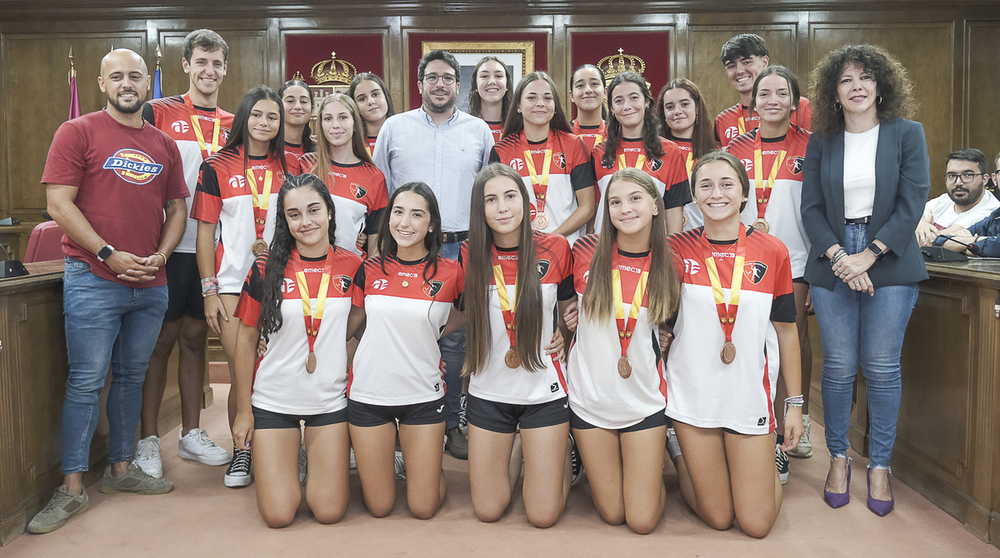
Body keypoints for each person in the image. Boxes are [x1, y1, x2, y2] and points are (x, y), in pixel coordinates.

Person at [29, 48, 186, 534]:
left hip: (151, 282)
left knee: (132, 378)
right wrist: (106, 253)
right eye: (117, 76)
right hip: (94, 279)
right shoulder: (76, 131)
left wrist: (160, 256)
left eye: (135, 76)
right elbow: (58, 203)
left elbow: (178, 208)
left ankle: (121, 470)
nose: (127, 83)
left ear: (147, 84)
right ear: (101, 83)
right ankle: (71, 487)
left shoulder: (163, 143)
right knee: (87, 380)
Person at [802, 44, 929, 517]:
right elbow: (810, 209)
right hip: (833, 256)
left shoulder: (906, 133)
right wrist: (842, 257)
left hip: (890, 257)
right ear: (833, 93)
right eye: (846, 80)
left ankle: (879, 464)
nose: (857, 87)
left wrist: (869, 256)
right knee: (837, 366)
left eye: (866, 78)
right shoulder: (822, 140)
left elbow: (912, 202)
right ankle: (838, 458)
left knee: (880, 365)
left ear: (880, 86)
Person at [665, 150, 803, 538]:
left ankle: (761, 458)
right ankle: (678, 452)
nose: (716, 193)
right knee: (720, 516)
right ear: (693, 195)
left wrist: (794, 405)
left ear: (744, 193)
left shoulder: (772, 250)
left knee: (756, 524)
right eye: (705, 185)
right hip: (693, 394)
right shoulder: (677, 248)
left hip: (747, 394)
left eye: (727, 184)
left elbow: (787, 330)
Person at [373, 49, 494, 459]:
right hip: (407, 244)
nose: (440, 84)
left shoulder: (479, 131)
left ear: (458, 87)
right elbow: (381, 190)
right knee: (402, 332)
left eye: (448, 78)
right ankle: (400, 419)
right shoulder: (394, 128)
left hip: (462, 244)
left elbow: (487, 191)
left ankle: (452, 419)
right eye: (432, 78)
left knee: (457, 337)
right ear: (420, 83)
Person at [231, 174, 361, 527]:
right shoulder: (265, 267)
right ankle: (291, 457)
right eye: (294, 214)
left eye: (314, 210)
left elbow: (361, 318)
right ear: (285, 221)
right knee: (278, 515)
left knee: (329, 511)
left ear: (330, 212)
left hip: (329, 402)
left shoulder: (354, 266)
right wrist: (245, 411)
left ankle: (308, 457)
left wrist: (325, 339)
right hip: (274, 400)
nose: (306, 222)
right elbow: (245, 341)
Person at [136, 28, 234, 480]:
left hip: (215, 250)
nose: (209, 71)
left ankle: (191, 434)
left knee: (196, 339)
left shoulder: (237, 123)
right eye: (201, 62)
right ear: (186, 66)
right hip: (170, 244)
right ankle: (147, 440)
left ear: (225, 69)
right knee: (159, 343)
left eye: (216, 64)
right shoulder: (157, 112)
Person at [191, 85, 298, 488]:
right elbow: (205, 234)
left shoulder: (292, 168)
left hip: (285, 284)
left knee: (282, 372)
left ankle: (290, 448)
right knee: (243, 374)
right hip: (235, 284)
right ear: (243, 117)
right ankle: (242, 453)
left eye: (273, 117)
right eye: (257, 115)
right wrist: (209, 290)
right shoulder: (216, 166)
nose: (265, 123)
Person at [461, 163, 574, 528]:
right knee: (489, 510)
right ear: (480, 210)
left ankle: (559, 448)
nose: (502, 207)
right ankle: (519, 446)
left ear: (525, 202)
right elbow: (451, 311)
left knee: (542, 516)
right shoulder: (468, 254)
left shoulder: (555, 247)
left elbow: (570, 306)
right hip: (489, 391)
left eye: (510, 196)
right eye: (491, 200)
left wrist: (565, 331)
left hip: (543, 391)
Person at [567, 168, 678, 534]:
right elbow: (560, 301)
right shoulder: (583, 251)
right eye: (615, 201)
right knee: (613, 513)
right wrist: (562, 323)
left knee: (641, 520)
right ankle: (583, 455)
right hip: (589, 400)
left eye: (635, 199)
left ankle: (663, 450)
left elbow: (679, 326)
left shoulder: (672, 262)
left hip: (643, 402)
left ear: (655, 206)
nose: (625, 208)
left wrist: (667, 335)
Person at [346, 182, 463, 519]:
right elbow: (349, 328)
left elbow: (471, 313)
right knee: (380, 507)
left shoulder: (452, 272)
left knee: (423, 508)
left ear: (432, 225)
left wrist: (431, 335)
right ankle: (399, 460)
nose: (405, 222)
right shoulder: (369, 268)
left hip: (423, 396)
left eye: (417, 214)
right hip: (370, 394)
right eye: (398, 212)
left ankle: (421, 465)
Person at [724, 65, 814, 470]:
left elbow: (820, 209)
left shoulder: (814, 146)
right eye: (764, 94)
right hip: (744, 260)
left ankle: (791, 428)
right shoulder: (736, 150)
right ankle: (750, 427)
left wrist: (815, 270)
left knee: (790, 342)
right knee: (750, 346)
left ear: (795, 102)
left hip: (795, 260)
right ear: (753, 102)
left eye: (781, 93)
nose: (772, 100)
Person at [490, 71, 597, 242]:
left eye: (548, 98)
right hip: (520, 249)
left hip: (565, 249)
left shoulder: (574, 145)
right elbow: (496, 207)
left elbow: (588, 207)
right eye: (532, 97)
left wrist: (553, 238)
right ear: (518, 106)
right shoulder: (501, 151)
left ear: (555, 107)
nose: (540, 103)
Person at [592, 71, 690, 235]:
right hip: (607, 250)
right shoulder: (599, 153)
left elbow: (673, 213)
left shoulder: (670, 152)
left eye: (634, 98)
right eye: (618, 101)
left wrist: (671, 253)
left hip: (652, 251)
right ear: (612, 108)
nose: (627, 106)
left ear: (646, 101)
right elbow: (595, 209)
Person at [299, 93, 388, 256]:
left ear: (354, 123)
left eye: (343, 117)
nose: (335, 125)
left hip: (352, 274)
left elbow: (376, 247)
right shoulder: (305, 165)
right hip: (306, 272)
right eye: (328, 119)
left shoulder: (374, 176)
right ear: (320, 124)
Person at [714, 34, 812, 148]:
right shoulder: (723, 120)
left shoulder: (802, 106)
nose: (739, 71)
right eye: (731, 66)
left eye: (746, 62)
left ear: (765, 62)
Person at [655, 78, 715, 231]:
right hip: (661, 240)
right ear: (663, 113)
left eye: (684, 104)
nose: (677, 111)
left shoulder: (716, 155)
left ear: (697, 108)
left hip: (702, 240)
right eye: (670, 106)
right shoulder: (653, 153)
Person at [914, 148, 999, 246]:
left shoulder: (991, 211)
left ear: (984, 179)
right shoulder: (945, 199)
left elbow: (933, 241)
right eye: (951, 176)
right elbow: (915, 213)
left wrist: (918, 225)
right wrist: (921, 222)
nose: (958, 183)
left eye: (967, 175)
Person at [349, 72, 396, 156]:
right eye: (362, 99)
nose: (371, 101)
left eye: (375, 94)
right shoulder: (351, 146)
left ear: (386, 96)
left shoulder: (405, 136)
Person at [468, 56, 513, 143]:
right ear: (475, 85)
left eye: (498, 76)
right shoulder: (466, 128)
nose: (492, 81)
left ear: (507, 84)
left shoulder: (518, 129)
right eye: (484, 76)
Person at [569, 64, 608, 152]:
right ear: (571, 96)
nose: (588, 90)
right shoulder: (563, 134)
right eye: (580, 85)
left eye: (594, 84)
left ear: (605, 92)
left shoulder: (616, 134)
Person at [935, 206, 1000, 256]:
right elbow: (940, 240)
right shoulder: (996, 215)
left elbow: (994, 248)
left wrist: (962, 246)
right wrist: (976, 240)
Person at [279, 79, 315, 159]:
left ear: (312, 109)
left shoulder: (320, 151)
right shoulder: (266, 148)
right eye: (290, 101)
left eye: (304, 101)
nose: (298, 107)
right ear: (278, 107)